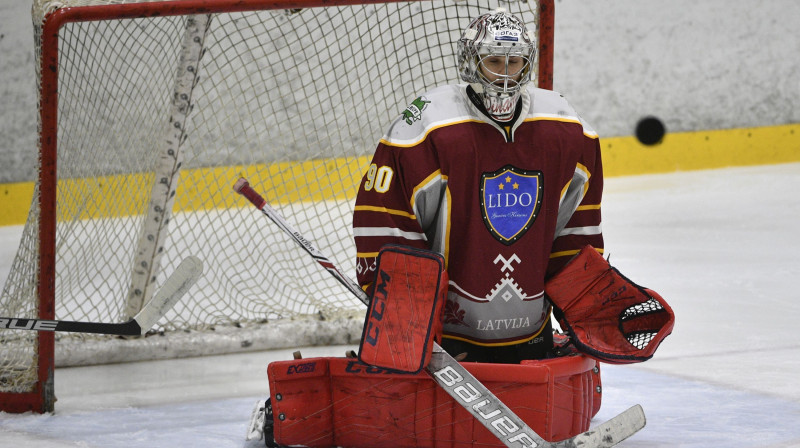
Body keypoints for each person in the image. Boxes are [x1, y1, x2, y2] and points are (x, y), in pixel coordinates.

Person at [352, 9, 604, 364]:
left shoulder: (565, 128)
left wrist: (583, 303)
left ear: (526, 63)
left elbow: (577, 229)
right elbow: (384, 218)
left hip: (532, 333)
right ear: (471, 62)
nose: (504, 75)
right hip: (446, 340)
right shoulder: (429, 125)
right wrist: (408, 315)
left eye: (513, 62)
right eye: (494, 61)